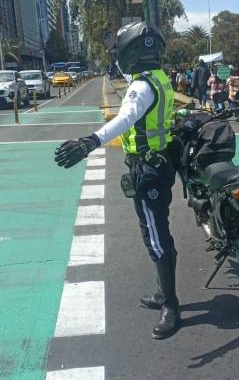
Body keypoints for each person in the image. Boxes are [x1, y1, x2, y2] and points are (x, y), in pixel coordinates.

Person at [53, 22, 180, 339]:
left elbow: (126, 118)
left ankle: (170, 304)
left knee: (156, 237)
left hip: (148, 169)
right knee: (156, 231)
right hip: (159, 164)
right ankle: (163, 292)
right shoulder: (159, 78)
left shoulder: (141, 87)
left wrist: (90, 142)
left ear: (130, 53)